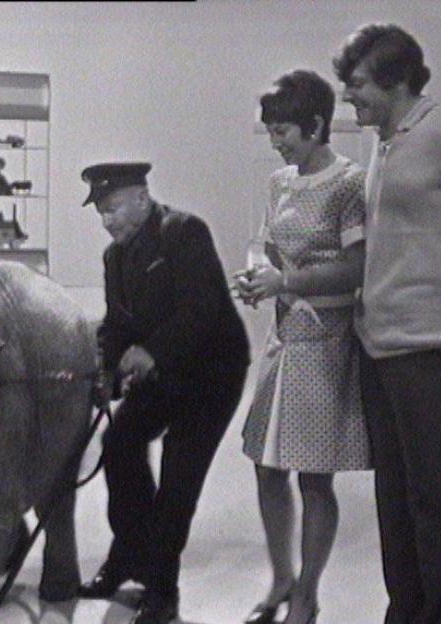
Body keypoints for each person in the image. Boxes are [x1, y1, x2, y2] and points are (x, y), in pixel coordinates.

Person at [334, 24, 441, 624]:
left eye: (357, 84)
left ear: (396, 80)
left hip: (428, 343)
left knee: (430, 495)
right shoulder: (384, 141)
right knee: (393, 497)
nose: (349, 96)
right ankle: (406, 612)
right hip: (378, 341)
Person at [78, 162, 250, 624]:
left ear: (141, 196)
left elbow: (203, 311)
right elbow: (115, 325)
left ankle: (162, 589)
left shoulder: (183, 232)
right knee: (119, 444)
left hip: (213, 375)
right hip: (165, 375)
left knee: (179, 474)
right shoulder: (114, 258)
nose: (107, 221)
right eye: (101, 213)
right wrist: (106, 372)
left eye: (112, 208)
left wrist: (150, 351)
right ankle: (129, 553)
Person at [233, 70, 371, 624]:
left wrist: (286, 283)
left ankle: (308, 594)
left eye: (283, 130)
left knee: (315, 475)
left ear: (316, 125)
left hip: (329, 341)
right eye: (270, 131)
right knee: (267, 468)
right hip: (286, 339)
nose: (276, 141)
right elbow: (272, 252)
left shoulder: (349, 184)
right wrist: (258, 279)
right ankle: (282, 579)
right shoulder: (279, 183)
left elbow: (357, 268)